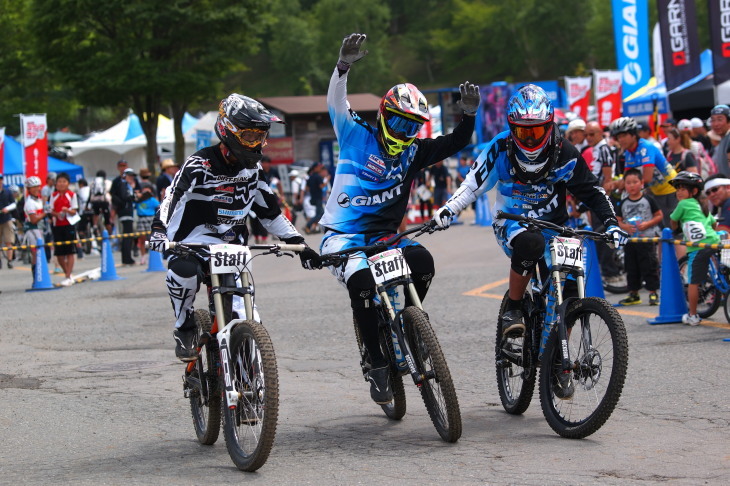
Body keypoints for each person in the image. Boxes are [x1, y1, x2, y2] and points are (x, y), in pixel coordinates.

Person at [432, 84, 626, 398]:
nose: (531, 140)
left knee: (568, 290)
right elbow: (473, 184)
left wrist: (612, 224)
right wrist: (449, 210)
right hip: (512, 222)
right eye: (524, 134)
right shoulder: (500, 147)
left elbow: (591, 191)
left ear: (550, 127)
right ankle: (514, 306)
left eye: (537, 132)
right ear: (512, 130)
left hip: (555, 226)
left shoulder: (565, 150)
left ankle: (557, 360)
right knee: (530, 244)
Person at [319, 33, 480, 404]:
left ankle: (407, 324)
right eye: (401, 124)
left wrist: (468, 117)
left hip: (387, 237)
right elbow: (336, 101)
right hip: (343, 236)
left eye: (414, 127)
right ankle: (377, 364)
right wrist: (343, 67)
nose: (407, 134)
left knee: (423, 262)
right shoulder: (354, 134)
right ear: (384, 116)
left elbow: (456, 142)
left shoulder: (414, 153)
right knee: (360, 280)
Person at [147, 92, 320, 362]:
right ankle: (184, 326)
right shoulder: (198, 164)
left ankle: (251, 377)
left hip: (231, 248)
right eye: (251, 136)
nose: (258, 143)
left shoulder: (253, 171)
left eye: (262, 136)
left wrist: (300, 243)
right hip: (190, 244)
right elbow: (172, 197)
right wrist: (158, 229)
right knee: (184, 272)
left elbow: (270, 213)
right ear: (228, 130)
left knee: (246, 317)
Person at [668, 172, 720, 326]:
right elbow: (713, 224)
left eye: (683, 189)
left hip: (698, 246)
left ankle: (693, 315)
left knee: (693, 282)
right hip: (714, 241)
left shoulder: (683, 204)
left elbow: (673, 220)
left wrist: (676, 229)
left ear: (694, 191)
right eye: (677, 189)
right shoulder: (702, 205)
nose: (679, 192)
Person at [609, 117, 677, 228]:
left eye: (624, 135)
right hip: (656, 191)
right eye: (618, 137)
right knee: (661, 228)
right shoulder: (628, 152)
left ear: (633, 135)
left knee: (671, 228)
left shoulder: (645, 147)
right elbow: (627, 178)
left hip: (670, 189)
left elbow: (647, 178)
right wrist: (615, 185)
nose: (621, 140)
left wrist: (626, 185)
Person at [616, 168, 662, 306]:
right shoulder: (623, 202)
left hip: (646, 240)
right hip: (630, 241)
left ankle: (653, 293)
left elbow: (659, 215)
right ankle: (633, 294)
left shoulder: (648, 199)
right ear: (624, 184)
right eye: (628, 182)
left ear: (642, 183)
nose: (631, 185)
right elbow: (617, 220)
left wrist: (648, 224)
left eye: (635, 182)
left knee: (649, 266)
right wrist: (625, 227)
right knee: (631, 268)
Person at [49, 172, 79, 286]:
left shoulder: (72, 195)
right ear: (56, 183)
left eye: (64, 182)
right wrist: (56, 214)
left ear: (68, 183)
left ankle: (68, 275)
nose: (61, 184)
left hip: (69, 225)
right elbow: (51, 210)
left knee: (70, 251)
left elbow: (74, 211)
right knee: (59, 253)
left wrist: (67, 210)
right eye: (59, 182)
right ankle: (67, 273)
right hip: (57, 226)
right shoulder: (53, 195)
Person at [22, 176, 48, 282]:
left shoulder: (39, 200)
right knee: (36, 253)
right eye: (33, 187)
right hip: (32, 229)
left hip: (40, 229)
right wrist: (45, 213)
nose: (36, 188)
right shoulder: (29, 202)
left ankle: (40, 277)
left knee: (40, 253)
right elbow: (33, 220)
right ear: (28, 189)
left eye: (37, 186)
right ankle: (36, 279)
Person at [112, 168, 137, 265]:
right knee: (127, 235)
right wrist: (134, 196)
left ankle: (127, 258)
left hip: (126, 211)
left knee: (128, 235)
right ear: (125, 176)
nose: (131, 178)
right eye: (129, 176)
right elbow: (125, 197)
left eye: (132, 176)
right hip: (125, 212)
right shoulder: (123, 184)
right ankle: (127, 258)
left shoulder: (125, 185)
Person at [133, 173, 159, 265]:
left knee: (152, 238)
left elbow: (159, 206)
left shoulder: (152, 200)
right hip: (141, 219)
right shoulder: (138, 200)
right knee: (142, 239)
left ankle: (154, 255)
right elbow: (133, 204)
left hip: (150, 218)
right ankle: (143, 256)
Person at [304, 163, 327, 234]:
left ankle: (316, 227)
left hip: (313, 197)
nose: (320, 168)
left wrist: (313, 190)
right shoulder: (318, 177)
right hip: (318, 198)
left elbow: (307, 188)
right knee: (320, 214)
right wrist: (327, 180)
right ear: (315, 168)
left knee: (321, 213)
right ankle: (308, 225)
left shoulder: (310, 177)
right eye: (318, 167)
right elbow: (321, 186)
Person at [0, 174, 18, 268]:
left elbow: (14, 204)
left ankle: (10, 260)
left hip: (6, 218)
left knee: (9, 241)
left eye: (0, 179)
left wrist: (7, 208)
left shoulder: (7, 192)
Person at [709, 105, 730, 177]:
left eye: (720, 119)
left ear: (729, 122)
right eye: (713, 120)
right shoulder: (723, 139)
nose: (716, 124)